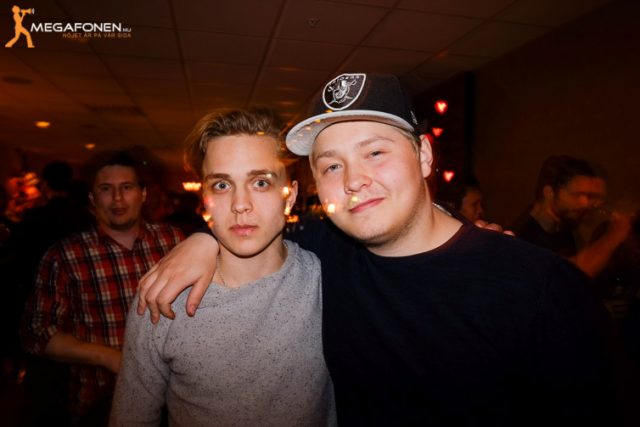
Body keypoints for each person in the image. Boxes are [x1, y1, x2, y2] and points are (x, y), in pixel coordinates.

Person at [137, 73, 616, 425]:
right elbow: (254, 230)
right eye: (332, 165)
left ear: (423, 155)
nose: (354, 181)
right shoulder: (324, 253)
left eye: (375, 152)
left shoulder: (539, 287)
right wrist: (202, 240)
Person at [109, 109, 334, 426]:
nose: (240, 205)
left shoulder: (328, 281)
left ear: (290, 196)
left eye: (260, 182)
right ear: (204, 198)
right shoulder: (165, 295)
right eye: (222, 185)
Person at [21, 150, 183, 426]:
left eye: (127, 187)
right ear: (92, 198)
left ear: (143, 194)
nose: (117, 198)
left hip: (173, 398)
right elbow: (37, 334)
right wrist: (109, 358)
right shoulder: (65, 256)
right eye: (106, 189)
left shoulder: (173, 243)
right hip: (100, 401)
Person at [512, 155, 631, 277]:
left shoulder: (562, 226)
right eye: (577, 194)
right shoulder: (526, 237)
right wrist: (614, 237)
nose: (585, 203)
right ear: (549, 193)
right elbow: (567, 276)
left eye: (589, 196)